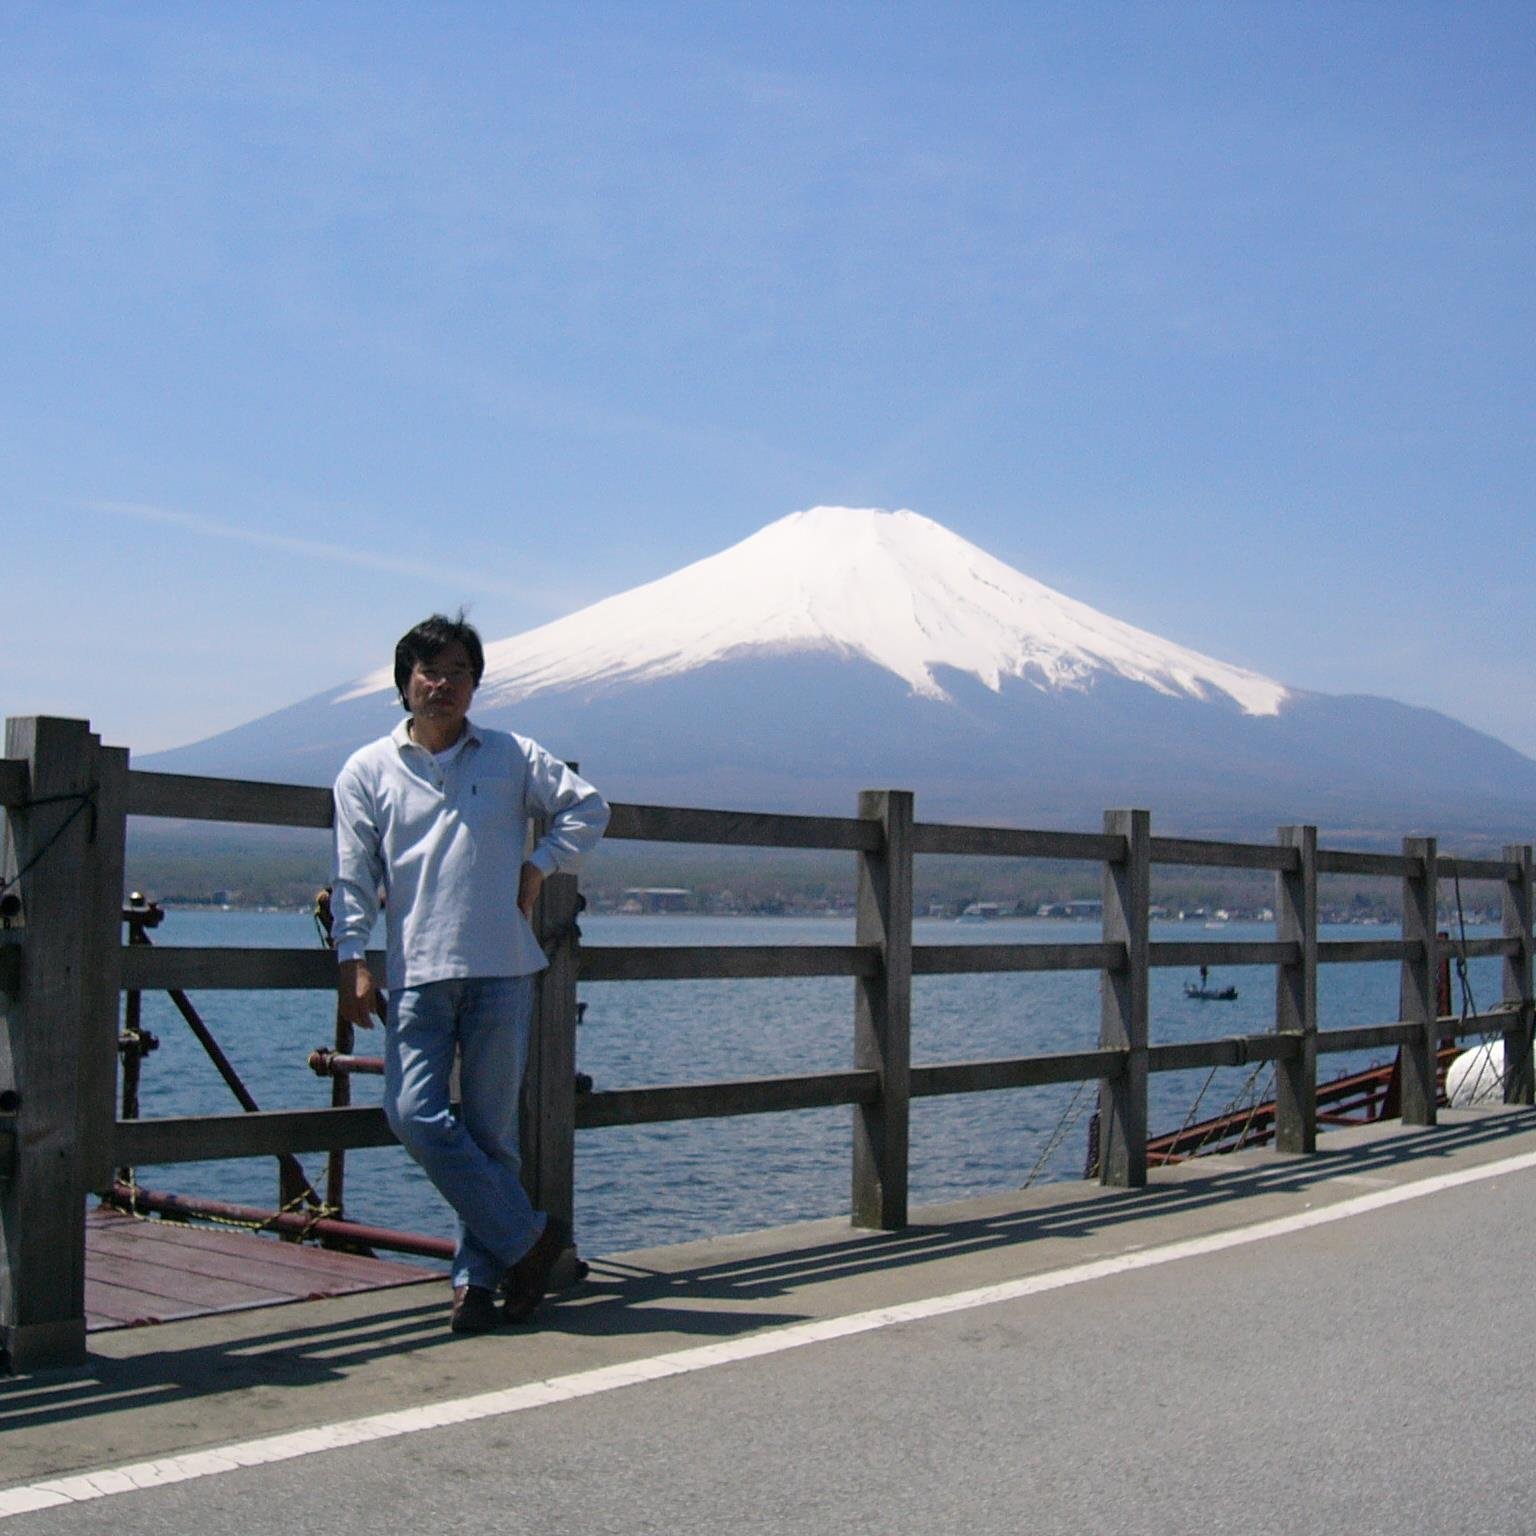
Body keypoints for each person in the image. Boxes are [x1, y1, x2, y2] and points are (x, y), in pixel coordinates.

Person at [331, 613, 609, 1334]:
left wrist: (540, 864)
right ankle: (533, 1241)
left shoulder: (512, 756)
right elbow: (353, 875)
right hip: (417, 969)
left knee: (491, 1137)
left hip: (502, 969)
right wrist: (352, 958)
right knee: (413, 1114)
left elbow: (588, 808)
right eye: (428, 671)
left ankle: (477, 1285)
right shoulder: (365, 772)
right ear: (403, 684)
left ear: (475, 683)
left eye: (457, 671)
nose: (441, 684)